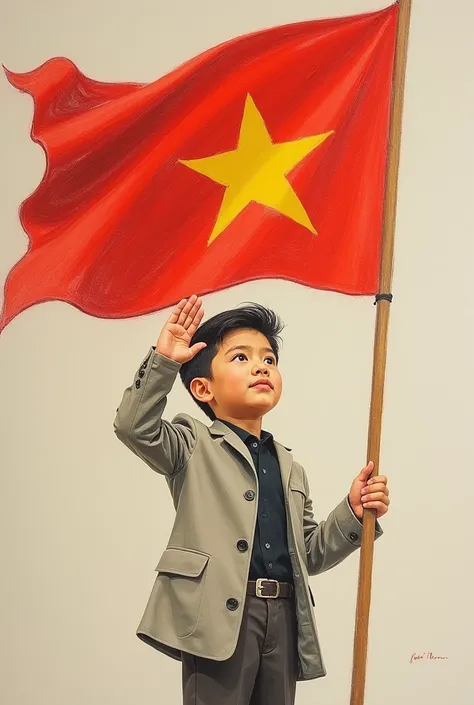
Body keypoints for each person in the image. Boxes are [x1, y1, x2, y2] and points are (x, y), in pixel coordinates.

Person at [113, 295, 390, 705]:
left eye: (270, 360)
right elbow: (134, 427)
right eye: (241, 358)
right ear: (203, 388)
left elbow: (308, 554)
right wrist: (163, 362)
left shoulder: (290, 467)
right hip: (218, 618)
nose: (262, 366)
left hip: (283, 616)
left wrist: (351, 511)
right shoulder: (191, 443)